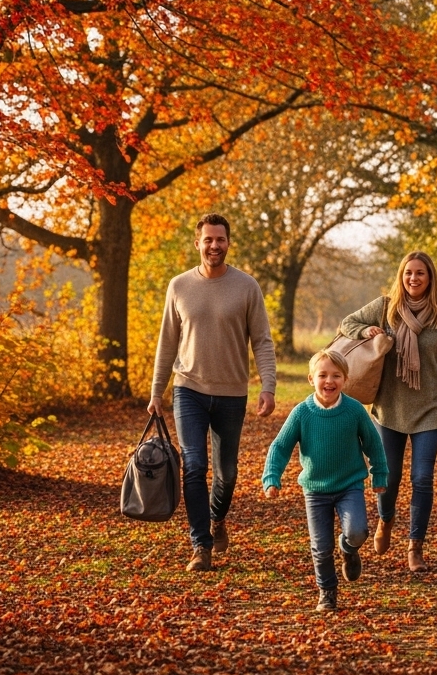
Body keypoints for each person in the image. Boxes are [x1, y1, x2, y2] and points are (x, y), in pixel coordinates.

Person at [149, 212, 277, 573]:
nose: (214, 245)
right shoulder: (179, 286)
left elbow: (262, 342)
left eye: (220, 239)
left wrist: (268, 386)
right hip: (187, 388)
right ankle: (200, 544)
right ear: (197, 243)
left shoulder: (246, 286)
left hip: (231, 393)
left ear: (228, 243)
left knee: (228, 472)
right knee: (194, 465)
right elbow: (167, 343)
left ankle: (218, 518)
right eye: (208, 239)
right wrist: (157, 391)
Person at [338, 251, 437, 574]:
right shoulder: (386, 309)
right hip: (388, 408)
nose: (413, 278)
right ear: (401, 276)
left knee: (422, 478)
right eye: (408, 273)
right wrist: (365, 332)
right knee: (388, 477)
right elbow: (347, 324)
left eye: (420, 273)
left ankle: (415, 546)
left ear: (430, 278)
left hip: (429, 409)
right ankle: (385, 519)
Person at [263, 350, 388, 612]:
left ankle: (348, 549)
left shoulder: (354, 411)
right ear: (311, 379)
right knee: (320, 547)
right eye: (323, 375)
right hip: (315, 489)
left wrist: (379, 474)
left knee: (357, 532)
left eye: (336, 376)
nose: (329, 381)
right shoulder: (302, 413)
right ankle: (327, 593)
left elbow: (374, 444)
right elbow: (280, 446)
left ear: (345, 379)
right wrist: (272, 476)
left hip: (349, 485)